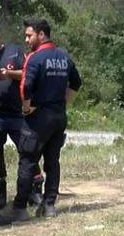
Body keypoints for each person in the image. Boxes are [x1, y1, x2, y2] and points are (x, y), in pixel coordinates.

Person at [8, 18, 81, 221]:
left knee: (28, 160)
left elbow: (25, 86)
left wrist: (26, 107)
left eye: (29, 35)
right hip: (59, 116)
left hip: (38, 116)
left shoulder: (35, 58)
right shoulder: (64, 57)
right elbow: (76, 81)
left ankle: (20, 207)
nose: (26, 39)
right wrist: (64, 102)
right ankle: (49, 205)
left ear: (41, 35)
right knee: (52, 160)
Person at [0, 24, 44, 209]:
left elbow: (28, 74)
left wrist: (9, 74)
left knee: (27, 150)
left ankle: (34, 190)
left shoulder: (15, 52)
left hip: (16, 112)